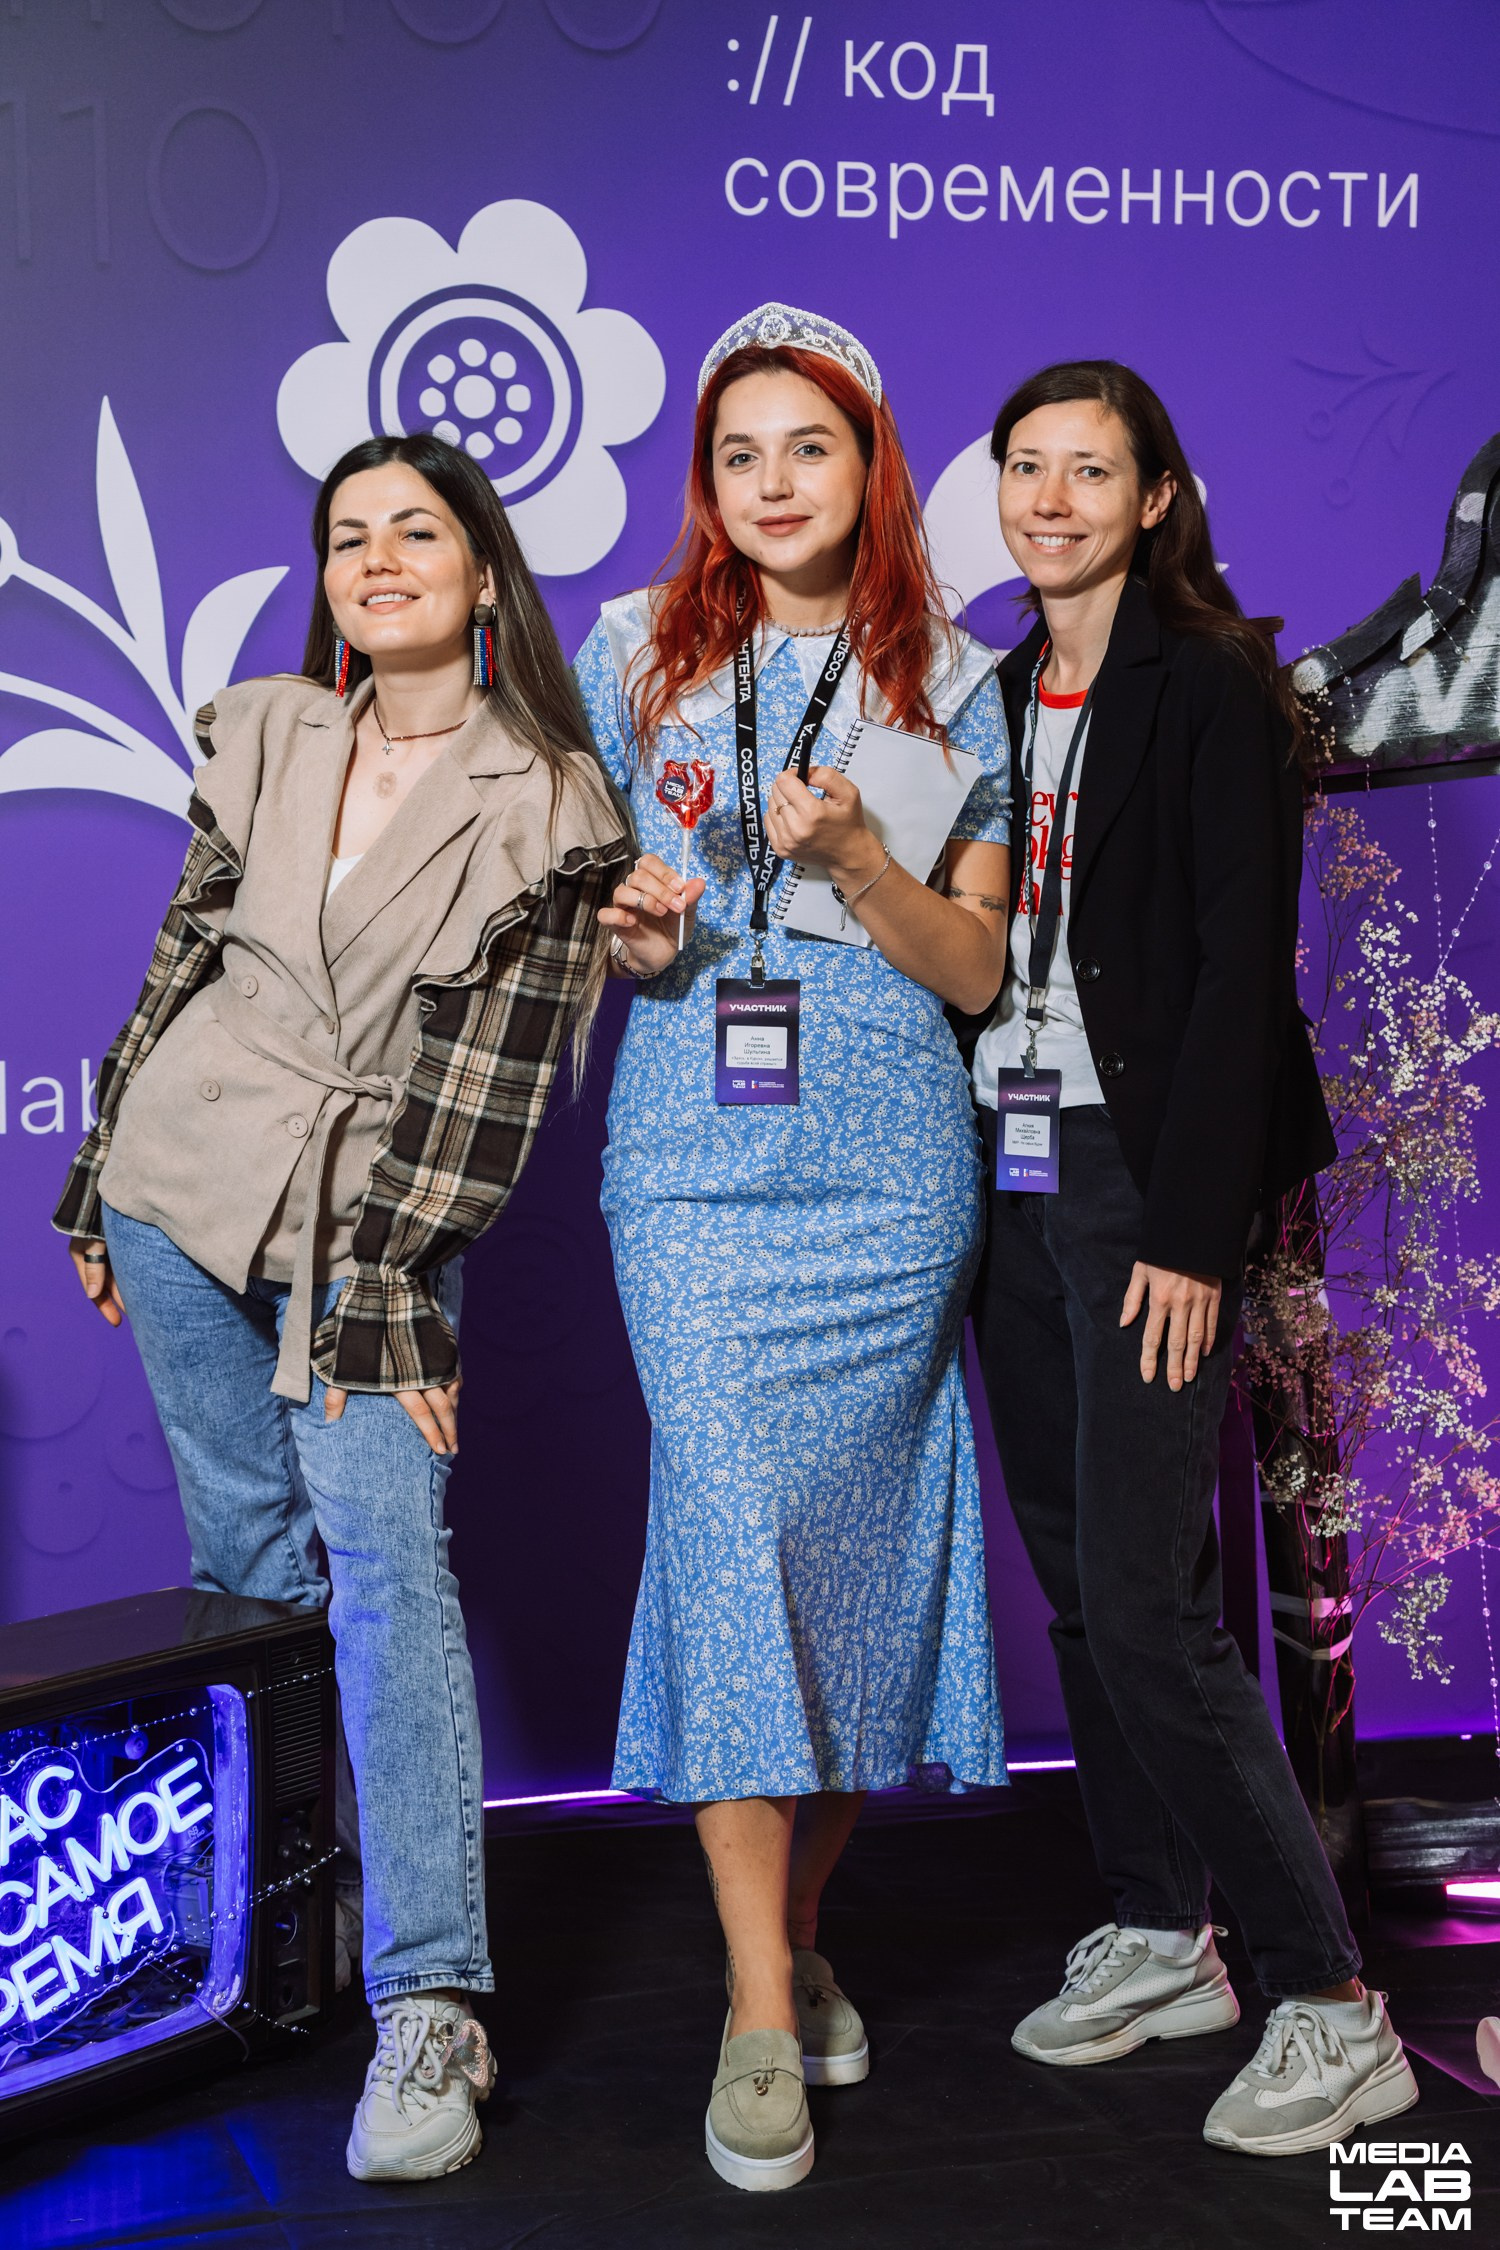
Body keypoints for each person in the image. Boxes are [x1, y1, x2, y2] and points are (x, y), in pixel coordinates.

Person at [54, 432, 630, 2182]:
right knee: (247, 1575)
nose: (378, 559)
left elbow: (486, 1095)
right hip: (177, 1182)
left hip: (364, 1221)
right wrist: (94, 1170)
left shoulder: (548, 798)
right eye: (348, 535)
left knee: (388, 1580)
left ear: (482, 570)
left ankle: (431, 2002)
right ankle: (275, 1951)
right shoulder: (273, 731)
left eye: (416, 531)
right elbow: (181, 959)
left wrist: (386, 1291)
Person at [574, 303, 1011, 2193]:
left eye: (806, 447)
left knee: (847, 1572)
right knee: (728, 1525)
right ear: (706, 481)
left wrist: (858, 865)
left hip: (892, 1163)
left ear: (869, 465)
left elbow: (977, 970)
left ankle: (801, 1926)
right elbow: (596, 899)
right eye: (737, 453)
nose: (771, 483)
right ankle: (759, 2004)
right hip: (691, 1150)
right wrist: (633, 934)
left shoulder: (961, 680)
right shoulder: (630, 653)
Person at [966, 361, 1417, 2154]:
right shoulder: (1002, 688)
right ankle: (1166, 1932)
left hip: (1139, 1179)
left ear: (1155, 496)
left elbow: (1246, 979)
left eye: (1091, 470)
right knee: (1085, 1589)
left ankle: (1333, 2000)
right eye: (1027, 466)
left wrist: (1190, 1233)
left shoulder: (1216, 680)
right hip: (1009, 1170)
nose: (1051, 498)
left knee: (1157, 1603)